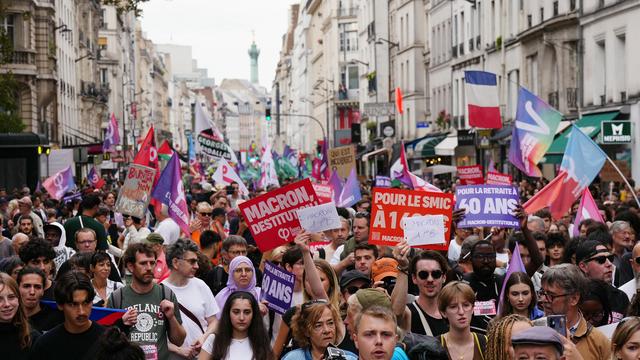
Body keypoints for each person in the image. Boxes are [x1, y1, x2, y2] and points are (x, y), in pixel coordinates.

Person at [107, 243, 186, 359]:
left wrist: (171, 317)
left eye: (152, 263)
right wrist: (121, 324)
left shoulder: (166, 294)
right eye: (143, 263)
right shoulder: (117, 297)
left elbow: (179, 341)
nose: (149, 268)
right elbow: (107, 342)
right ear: (130, 266)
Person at [539, 264, 611, 360]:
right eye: (542, 293)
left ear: (574, 299)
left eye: (551, 295)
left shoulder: (599, 342)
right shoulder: (532, 331)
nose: (543, 299)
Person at [162, 239, 220, 359]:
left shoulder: (201, 285)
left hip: (203, 355)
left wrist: (204, 338)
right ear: (176, 262)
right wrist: (179, 350)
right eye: (192, 262)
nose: (197, 266)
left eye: (197, 262)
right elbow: (155, 335)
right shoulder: (160, 291)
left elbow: (214, 321)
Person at [30, 271, 106, 360]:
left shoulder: (107, 340)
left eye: (86, 303)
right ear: (60, 305)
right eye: (73, 304)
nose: (81, 311)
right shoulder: (45, 344)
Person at [199, 291, 274, 360]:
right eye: (236, 312)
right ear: (228, 313)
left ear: (254, 314)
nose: (241, 318)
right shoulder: (214, 340)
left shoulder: (262, 341)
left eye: (247, 312)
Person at [283, 299, 357, 360]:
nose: (327, 330)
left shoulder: (350, 358)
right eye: (318, 325)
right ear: (306, 331)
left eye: (330, 323)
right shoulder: (291, 358)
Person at [575, 239, 629, 322]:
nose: (609, 264)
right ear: (583, 266)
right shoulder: (573, 298)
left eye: (610, 258)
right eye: (601, 260)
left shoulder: (620, 297)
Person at [437, 281, 487, 360]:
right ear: (443, 313)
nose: (461, 312)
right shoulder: (434, 346)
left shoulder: (486, 344)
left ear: (473, 308)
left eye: (466, 305)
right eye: (453, 307)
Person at [0, 272, 40, 360]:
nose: (7, 304)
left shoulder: (31, 337)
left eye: (11, 297)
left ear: (18, 299)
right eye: (0, 299)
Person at [17, 267, 63, 332]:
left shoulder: (56, 317)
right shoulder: (10, 316)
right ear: (17, 288)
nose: (32, 292)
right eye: (26, 286)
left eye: (37, 287)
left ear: (43, 290)